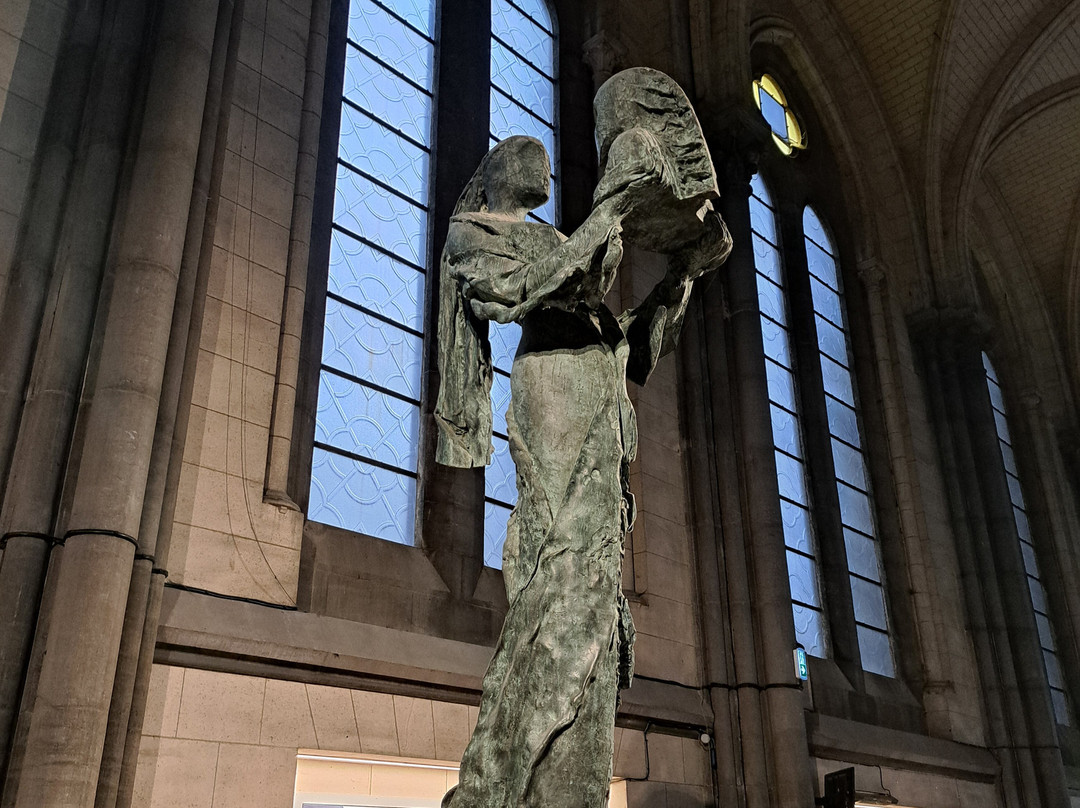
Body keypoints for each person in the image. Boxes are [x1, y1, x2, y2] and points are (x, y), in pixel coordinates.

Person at [436, 74, 730, 808]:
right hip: (555, 399)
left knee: (591, 598)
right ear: (494, 174)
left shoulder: (556, 239)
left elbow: (624, 347)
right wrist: (614, 205)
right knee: (561, 586)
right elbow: (529, 290)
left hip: (597, 406)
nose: (542, 159)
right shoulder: (475, 234)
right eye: (525, 152)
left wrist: (683, 275)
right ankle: (495, 790)